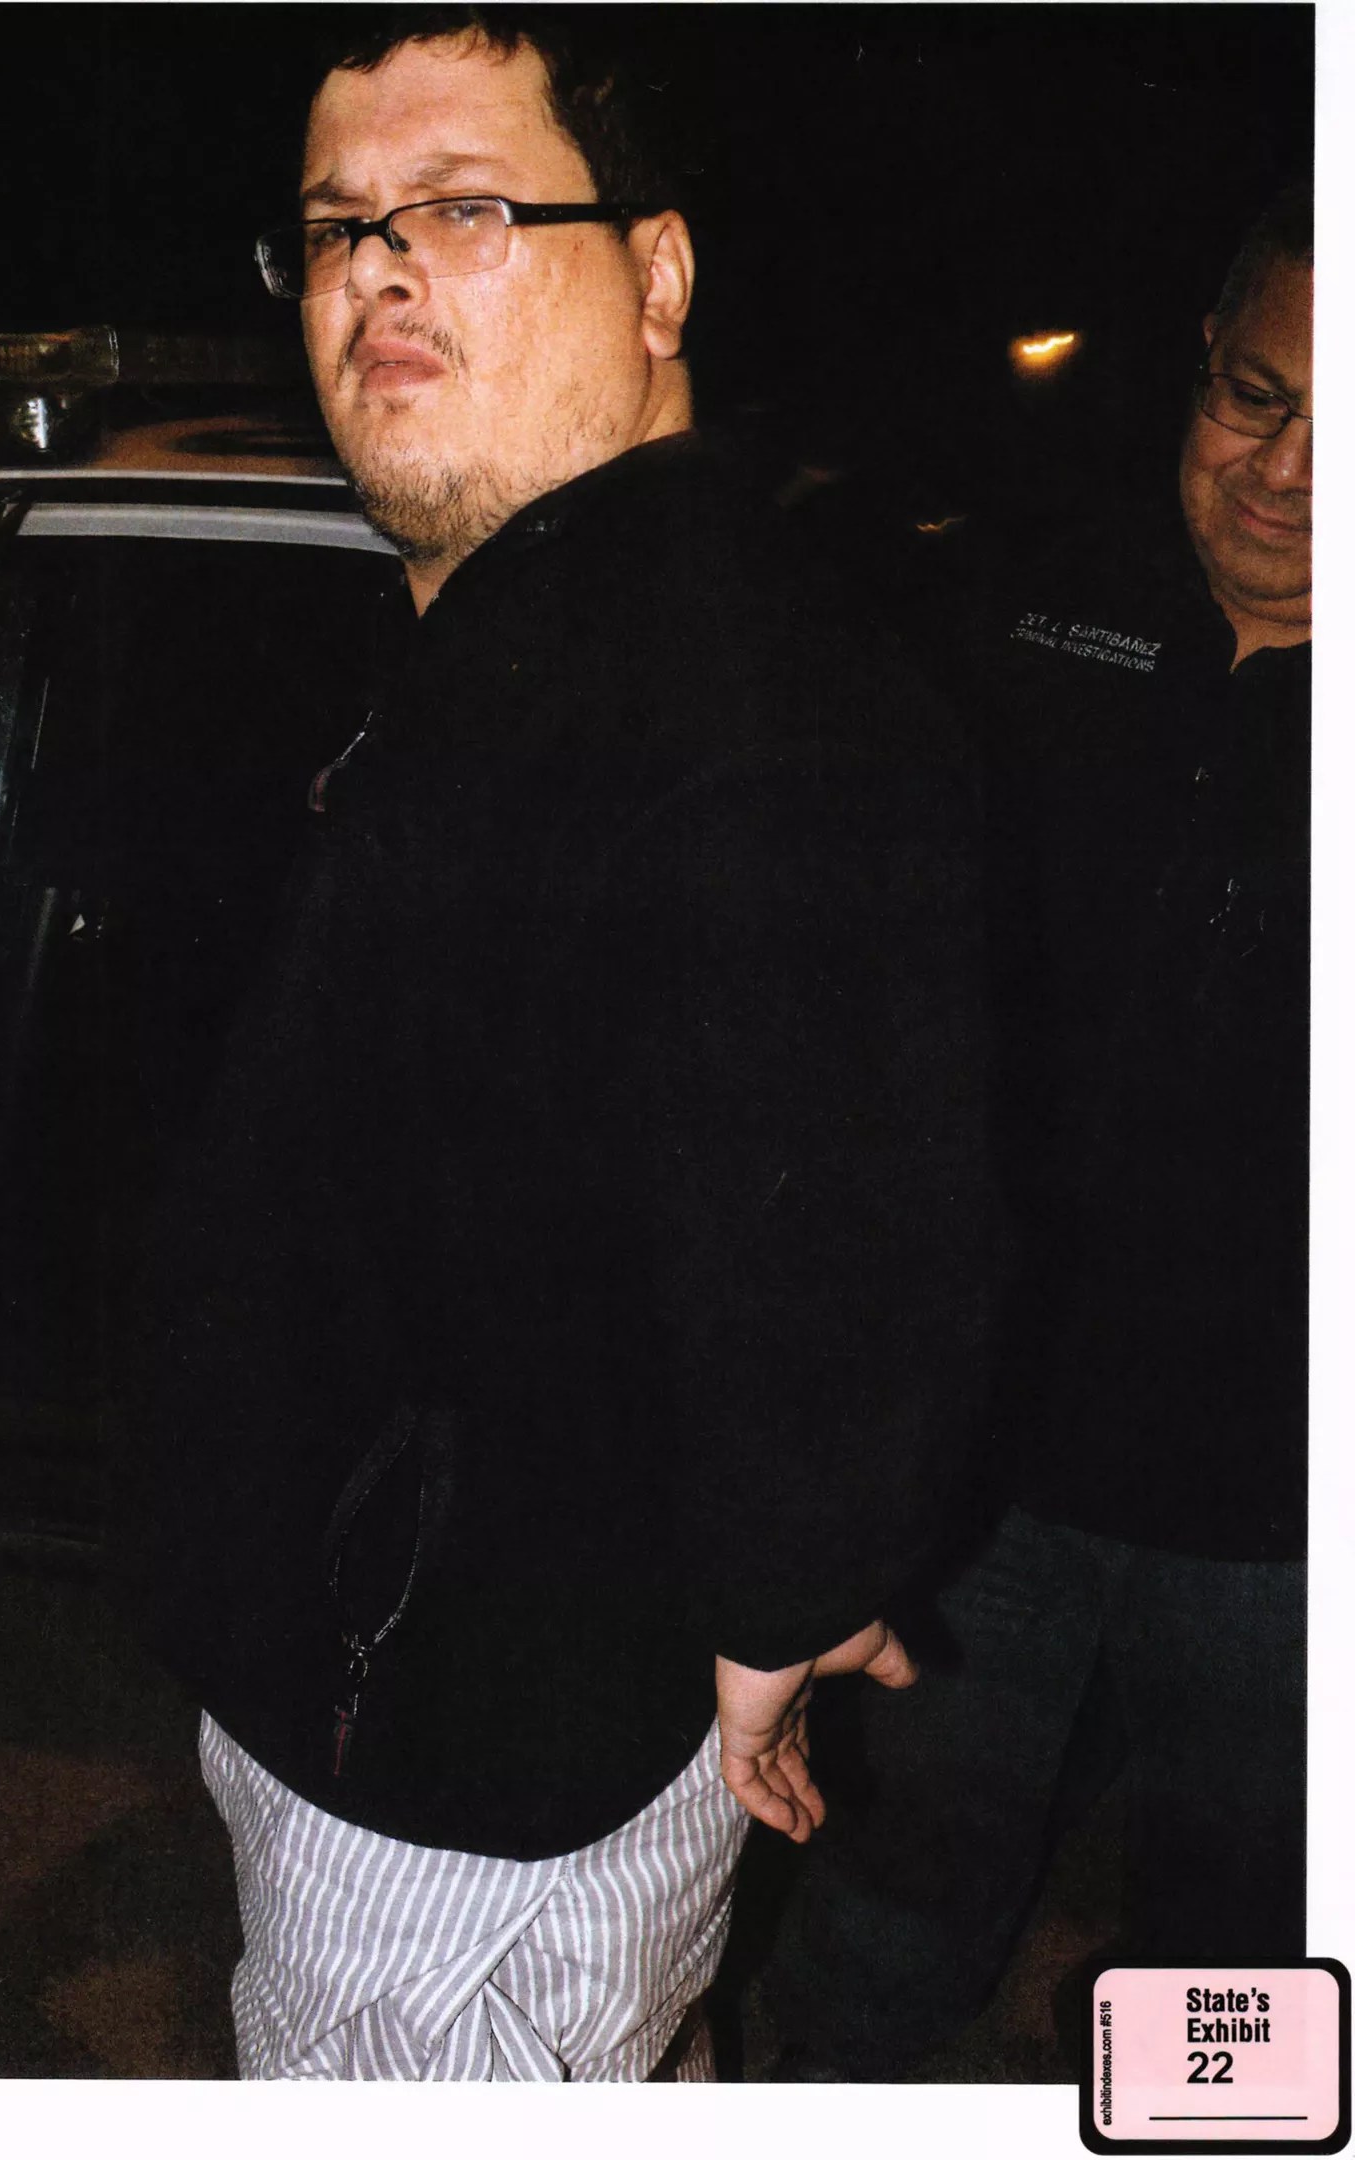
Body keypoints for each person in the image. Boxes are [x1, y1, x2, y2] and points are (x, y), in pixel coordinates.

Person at [132, 9, 993, 2081]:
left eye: (463, 209)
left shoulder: (725, 689)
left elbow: (861, 1211)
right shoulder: (528, 635)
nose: (376, 273)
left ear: (658, 276)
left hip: (465, 1788)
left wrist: (780, 1598)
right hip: (412, 1694)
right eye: (335, 228)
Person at [764, 181, 1312, 2079]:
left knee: (1242, 1965)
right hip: (988, 1470)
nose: (1284, 474)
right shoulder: (1021, 602)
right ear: (1203, 361)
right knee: (883, 1913)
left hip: (1285, 1530)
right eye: (1255, 397)